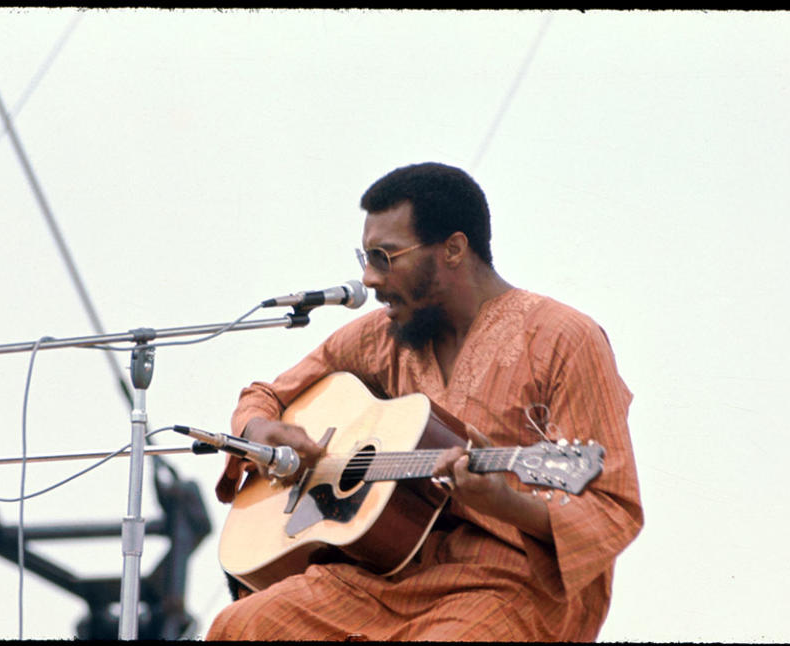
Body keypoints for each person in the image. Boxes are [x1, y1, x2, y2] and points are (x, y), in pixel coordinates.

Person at [206, 162, 643, 641]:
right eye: (365, 257)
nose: (369, 278)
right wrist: (258, 429)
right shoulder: (382, 336)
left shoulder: (564, 338)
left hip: (507, 585)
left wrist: (505, 503)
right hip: (383, 576)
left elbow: (611, 507)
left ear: (454, 249)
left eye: (385, 257)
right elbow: (267, 395)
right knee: (242, 626)